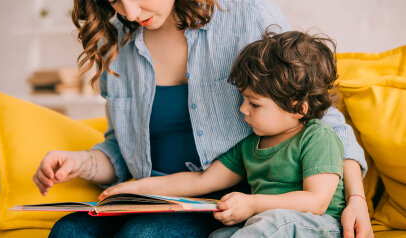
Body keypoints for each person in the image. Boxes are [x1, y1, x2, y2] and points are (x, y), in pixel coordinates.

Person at [33, 0, 373, 237]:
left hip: (227, 199)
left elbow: (318, 112)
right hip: (152, 197)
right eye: (115, 1)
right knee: (70, 230)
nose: (130, 12)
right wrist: (82, 162)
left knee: (146, 234)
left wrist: (356, 199)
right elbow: (120, 148)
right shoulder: (118, 43)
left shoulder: (244, 13)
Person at [98, 29, 347, 237]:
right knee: (220, 235)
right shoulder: (249, 145)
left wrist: (252, 204)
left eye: (254, 103)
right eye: (244, 100)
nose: (242, 109)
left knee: (269, 226)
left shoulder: (317, 137)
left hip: (316, 225)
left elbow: (316, 201)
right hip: (263, 225)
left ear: (298, 108)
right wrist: (137, 189)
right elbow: (201, 181)